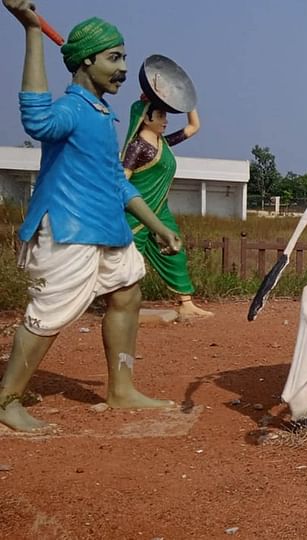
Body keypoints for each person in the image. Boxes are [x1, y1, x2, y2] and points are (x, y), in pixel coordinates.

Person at [0, 1, 183, 432]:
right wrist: (31, 31)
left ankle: (121, 389)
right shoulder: (71, 109)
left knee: (126, 293)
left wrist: (159, 228)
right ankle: (7, 401)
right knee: (49, 313)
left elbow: (117, 184)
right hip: (69, 229)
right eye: (114, 58)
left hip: (107, 229)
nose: (123, 68)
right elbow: (38, 121)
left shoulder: (102, 114)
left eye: (122, 57)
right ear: (87, 61)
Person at [122, 98, 212, 320]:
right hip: (137, 212)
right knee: (129, 260)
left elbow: (193, 127)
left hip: (160, 208)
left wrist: (187, 99)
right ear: (145, 118)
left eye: (166, 116)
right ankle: (119, 304)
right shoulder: (137, 147)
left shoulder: (164, 143)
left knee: (176, 249)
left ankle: (186, 303)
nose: (166, 121)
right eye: (160, 116)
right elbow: (122, 181)